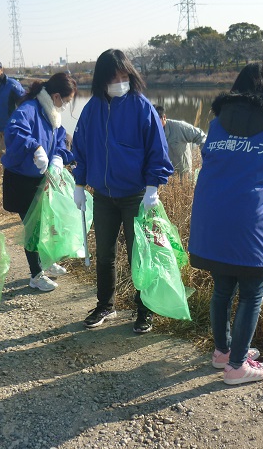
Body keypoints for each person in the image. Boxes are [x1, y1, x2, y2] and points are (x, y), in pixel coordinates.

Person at [188, 63, 263, 385]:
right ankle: (237, 367)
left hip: (212, 220)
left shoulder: (217, 125)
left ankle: (223, 352)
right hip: (250, 224)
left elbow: (212, 169)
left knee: (223, 287)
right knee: (251, 292)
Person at [72, 49, 173, 333]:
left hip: (135, 197)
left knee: (139, 255)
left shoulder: (142, 107)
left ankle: (145, 310)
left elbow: (158, 151)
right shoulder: (92, 108)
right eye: (113, 77)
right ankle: (105, 305)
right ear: (101, 79)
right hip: (103, 195)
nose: (119, 81)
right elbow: (80, 148)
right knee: (104, 254)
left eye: (124, 75)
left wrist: (153, 187)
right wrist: (79, 184)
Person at [1, 72, 77, 292]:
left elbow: (61, 138)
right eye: (66, 101)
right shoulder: (30, 109)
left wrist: (58, 155)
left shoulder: (51, 112)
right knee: (33, 227)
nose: (66, 106)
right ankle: (36, 274)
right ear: (56, 96)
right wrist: (35, 147)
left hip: (40, 178)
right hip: (21, 180)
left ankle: (46, 260)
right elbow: (14, 131)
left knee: (47, 222)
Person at [154, 105, 206, 179]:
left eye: (156, 120)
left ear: (164, 117)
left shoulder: (179, 127)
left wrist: (206, 158)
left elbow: (201, 136)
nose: (154, 124)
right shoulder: (147, 133)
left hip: (184, 177)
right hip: (162, 178)